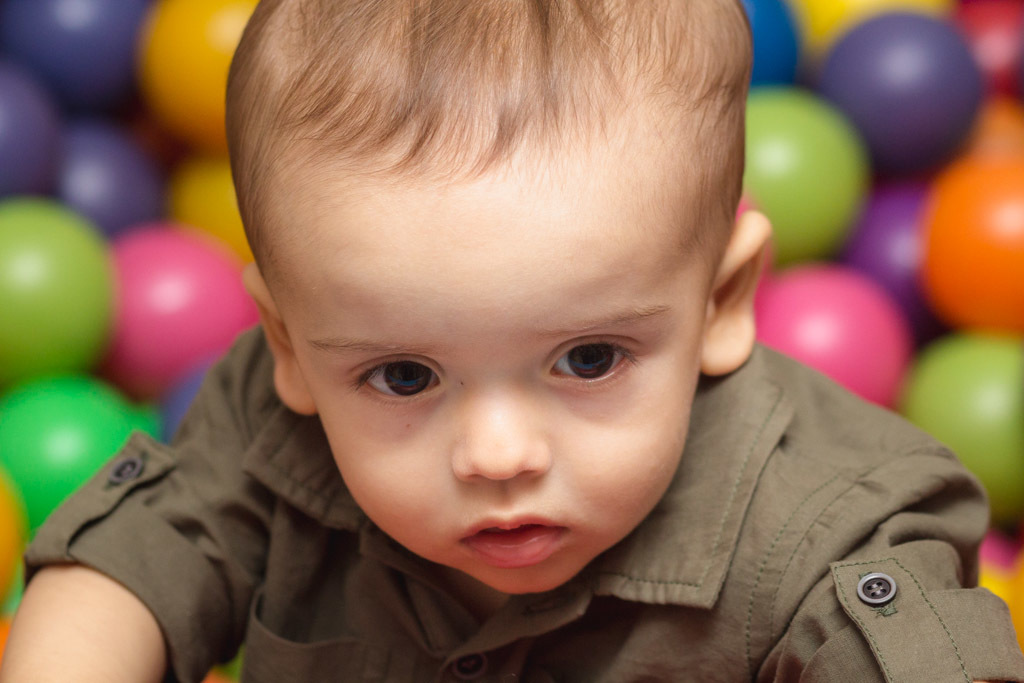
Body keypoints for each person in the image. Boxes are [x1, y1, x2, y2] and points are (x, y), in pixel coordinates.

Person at [2, 1, 1023, 681]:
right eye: (404, 375)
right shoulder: (270, 426)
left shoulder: (831, 526)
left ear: (720, 301)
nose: (497, 453)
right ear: (289, 346)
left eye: (587, 359)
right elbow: (132, 563)